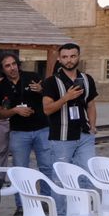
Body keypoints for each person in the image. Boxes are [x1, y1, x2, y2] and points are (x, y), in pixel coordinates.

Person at [0, 52, 52, 215]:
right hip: (19, 132)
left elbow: (50, 97)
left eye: (14, 64)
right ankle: (22, 205)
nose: (12, 68)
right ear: (2, 69)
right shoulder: (0, 88)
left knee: (46, 166)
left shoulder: (33, 77)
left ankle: (47, 200)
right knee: (20, 170)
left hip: (41, 128)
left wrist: (42, 90)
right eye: (7, 66)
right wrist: (15, 111)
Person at [42, 42, 98, 170]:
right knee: (62, 175)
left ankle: (87, 186)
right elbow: (47, 109)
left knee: (89, 171)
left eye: (73, 56)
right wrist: (66, 97)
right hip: (62, 137)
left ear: (78, 57)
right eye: (65, 57)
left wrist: (92, 127)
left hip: (84, 135)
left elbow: (91, 105)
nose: (69, 60)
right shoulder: (51, 82)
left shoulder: (87, 79)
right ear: (59, 59)